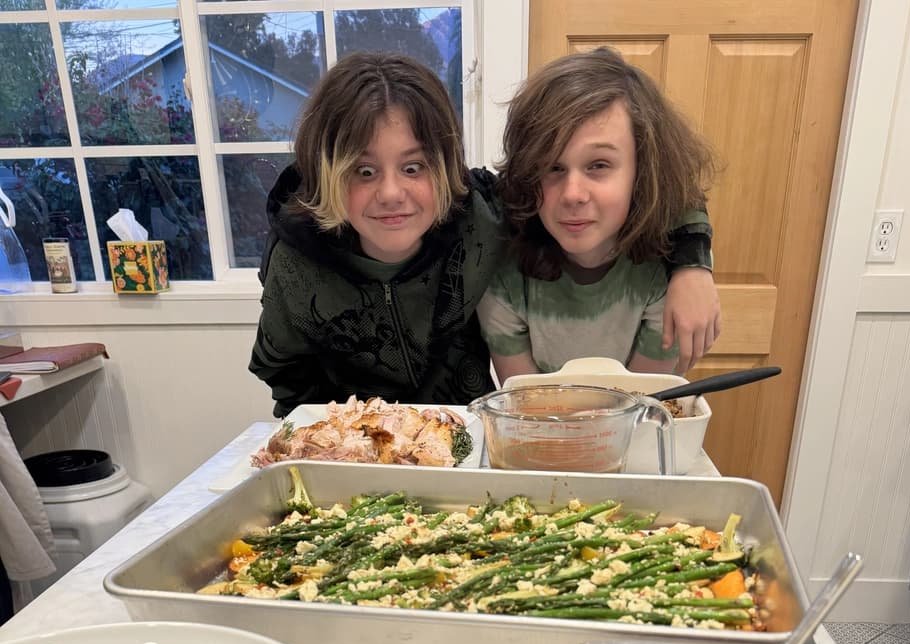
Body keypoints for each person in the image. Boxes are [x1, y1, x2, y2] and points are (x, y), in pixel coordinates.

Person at [250, 52, 719, 417]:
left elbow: (662, 184)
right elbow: (284, 375)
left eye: (413, 166)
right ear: (329, 173)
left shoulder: (482, 217)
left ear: (445, 165)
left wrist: (693, 262)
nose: (391, 193)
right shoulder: (294, 262)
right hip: (348, 451)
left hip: (470, 442)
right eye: (363, 170)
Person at [477, 47, 719, 383]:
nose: (573, 194)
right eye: (552, 167)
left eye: (598, 165)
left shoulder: (669, 271)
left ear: (643, 171)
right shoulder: (502, 275)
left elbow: (639, 409)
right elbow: (525, 410)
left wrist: (695, 266)